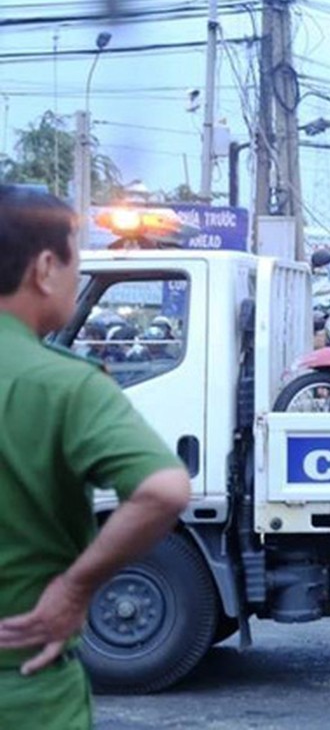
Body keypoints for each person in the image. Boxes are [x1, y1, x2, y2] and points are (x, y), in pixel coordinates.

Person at [0, 186, 191, 730]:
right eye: (75, 261)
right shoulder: (63, 385)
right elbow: (163, 489)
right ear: (43, 268)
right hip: (25, 691)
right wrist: (75, 588)